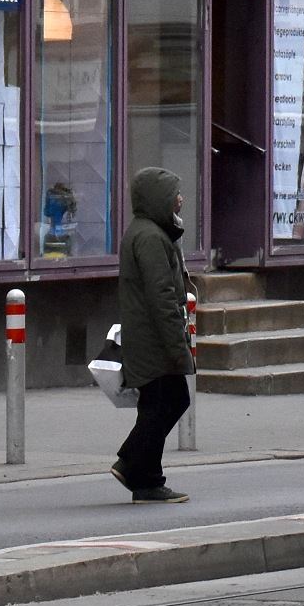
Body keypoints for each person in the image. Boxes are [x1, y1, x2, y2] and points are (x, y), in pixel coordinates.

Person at [112, 165, 192, 503]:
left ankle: (147, 480)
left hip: (149, 337)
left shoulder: (152, 232)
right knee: (169, 401)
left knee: (158, 406)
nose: (181, 200)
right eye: (175, 194)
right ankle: (132, 464)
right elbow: (161, 296)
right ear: (159, 198)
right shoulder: (149, 237)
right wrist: (177, 346)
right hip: (152, 339)